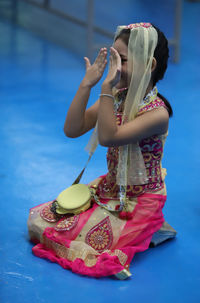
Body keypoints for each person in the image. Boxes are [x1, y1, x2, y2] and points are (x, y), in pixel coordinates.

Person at [28, 22, 177, 279]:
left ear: (150, 65)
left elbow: (109, 137)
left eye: (124, 60)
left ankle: (152, 224)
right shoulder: (118, 95)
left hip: (139, 200)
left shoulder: (157, 114)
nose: (115, 67)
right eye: (114, 58)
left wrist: (106, 88)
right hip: (109, 190)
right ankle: (149, 229)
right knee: (39, 221)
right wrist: (87, 85)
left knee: (94, 253)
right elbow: (73, 129)